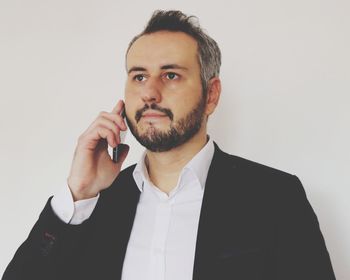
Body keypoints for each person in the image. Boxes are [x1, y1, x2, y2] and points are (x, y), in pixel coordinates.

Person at [3, 10, 336, 280]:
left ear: (212, 95)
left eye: (171, 75)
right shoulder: (93, 205)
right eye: (139, 76)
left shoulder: (276, 197)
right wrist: (78, 193)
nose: (150, 93)